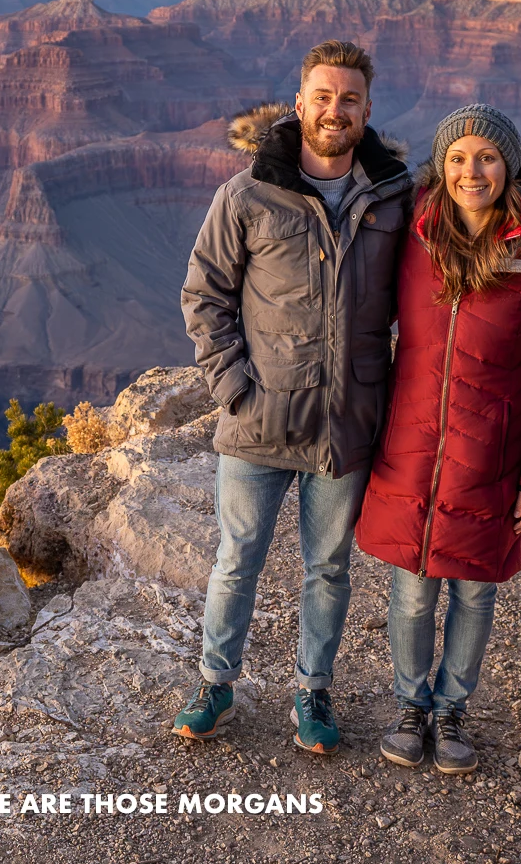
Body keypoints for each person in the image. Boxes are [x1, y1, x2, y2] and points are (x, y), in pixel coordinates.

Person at [173, 40, 413, 755]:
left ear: (367, 111)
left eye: (349, 99)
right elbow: (204, 295)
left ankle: (313, 690)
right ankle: (216, 682)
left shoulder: (396, 195)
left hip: (346, 423)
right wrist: (234, 388)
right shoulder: (247, 194)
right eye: (322, 96)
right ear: (299, 101)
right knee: (236, 557)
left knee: (329, 568)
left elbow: (470, 234)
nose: (334, 110)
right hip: (259, 420)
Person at [356, 103, 521, 775]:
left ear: (510, 167)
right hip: (409, 446)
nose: (473, 170)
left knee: (474, 588)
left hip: (493, 458)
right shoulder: (408, 232)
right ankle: (412, 705)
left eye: (488, 157)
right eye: (459, 157)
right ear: (441, 167)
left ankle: (451, 709)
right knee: (410, 590)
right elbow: (324, 185)